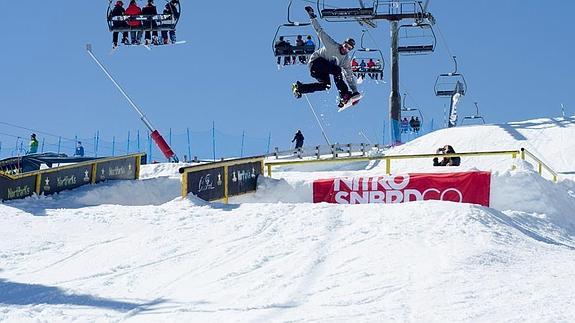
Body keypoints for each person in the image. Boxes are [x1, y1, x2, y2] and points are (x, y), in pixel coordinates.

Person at [292, 6, 360, 107]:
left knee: (326, 86)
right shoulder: (331, 45)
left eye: (349, 48)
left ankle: (300, 88)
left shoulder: (345, 60)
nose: (346, 49)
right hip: (315, 63)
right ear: (343, 43)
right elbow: (319, 31)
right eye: (346, 46)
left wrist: (355, 92)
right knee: (337, 70)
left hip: (322, 71)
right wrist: (312, 16)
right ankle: (344, 95)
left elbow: (349, 75)